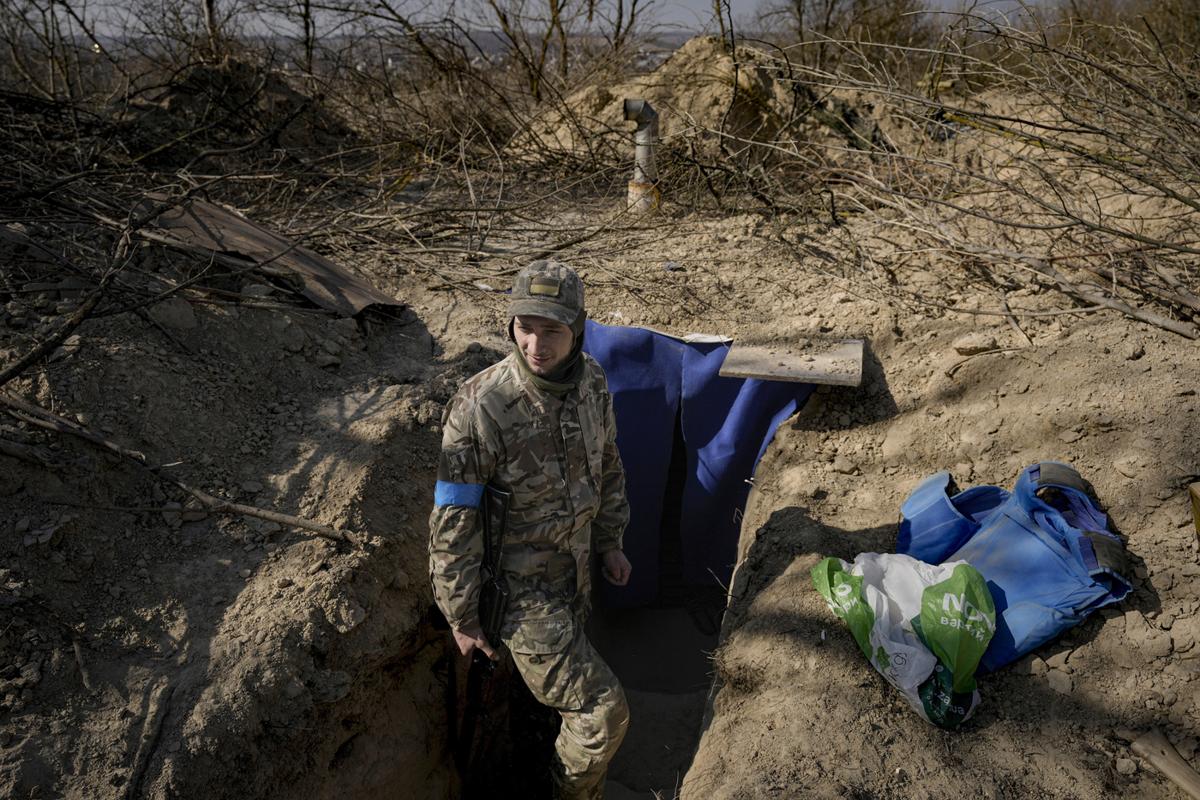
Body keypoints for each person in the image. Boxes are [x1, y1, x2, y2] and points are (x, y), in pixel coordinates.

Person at [429, 260, 632, 799]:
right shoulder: (481, 405)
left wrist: (611, 540)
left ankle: (535, 769)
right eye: (525, 327)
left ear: (578, 330)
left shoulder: (591, 382)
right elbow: (454, 515)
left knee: (541, 716)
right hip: (518, 598)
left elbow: (608, 462)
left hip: (574, 577)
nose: (536, 344)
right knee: (601, 713)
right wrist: (461, 614)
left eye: (552, 330)